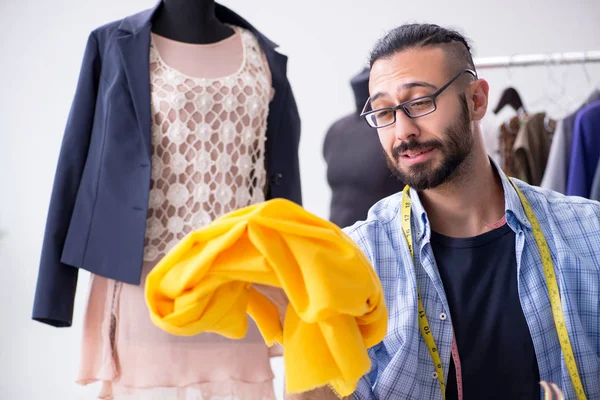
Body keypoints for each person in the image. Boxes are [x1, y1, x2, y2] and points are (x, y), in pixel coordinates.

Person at [288, 23, 600, 400]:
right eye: (384, 112)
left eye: (419, 102)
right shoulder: (355, 261)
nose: (403, 132)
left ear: (477, 101)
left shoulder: (588, 232)